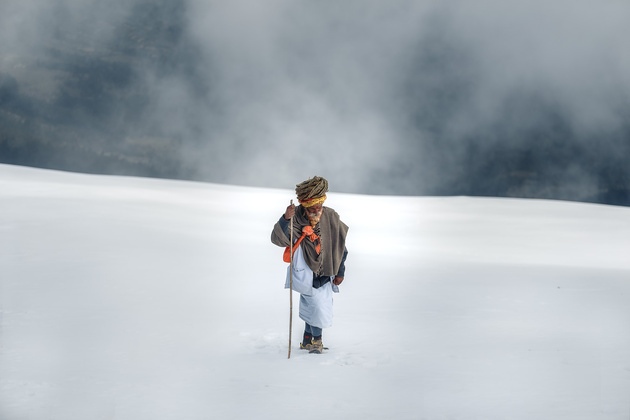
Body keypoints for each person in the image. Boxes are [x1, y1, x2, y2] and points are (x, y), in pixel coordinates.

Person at [271, 176, 349, 354]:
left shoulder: (330, 216)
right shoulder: (296, 217)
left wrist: (340, 271)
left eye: (319, 206)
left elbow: (340, 245)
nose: (317, 210)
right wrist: (285, 219)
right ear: (305, 206)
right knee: (317, 306)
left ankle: (307, 339)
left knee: (314, 305)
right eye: (313, 207)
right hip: (305, 270)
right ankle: (316, 342)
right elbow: (277, 239)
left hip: (327, 269)